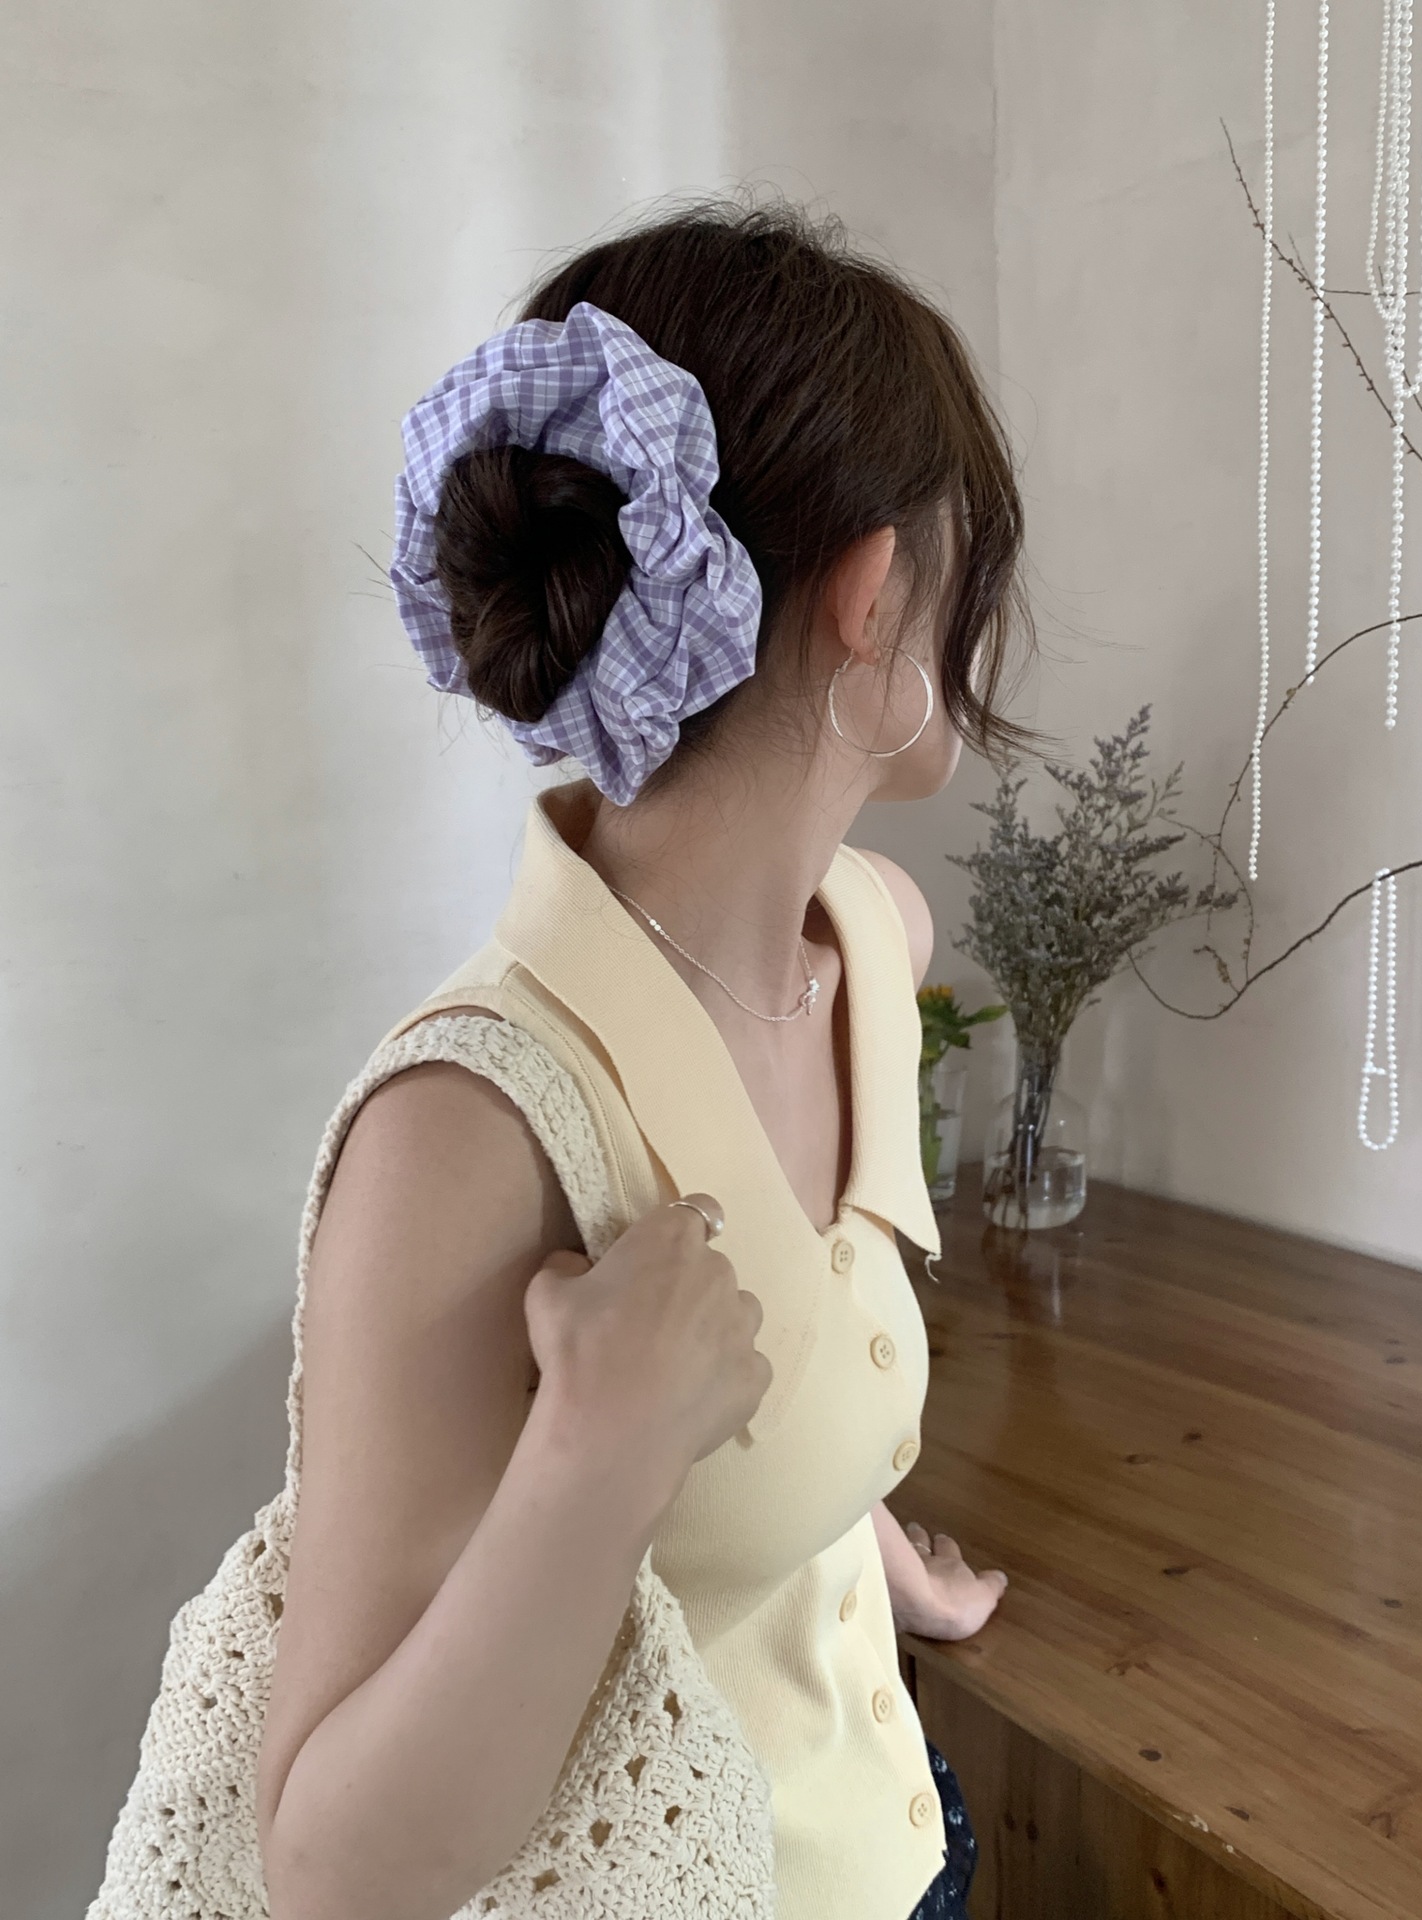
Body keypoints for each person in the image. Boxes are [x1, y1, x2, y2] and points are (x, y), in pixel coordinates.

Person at [254, 200, 1027, 1920]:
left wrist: (875, 1552)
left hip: (916, 1844)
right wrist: (593, 1461)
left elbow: (792, 1364)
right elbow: (325, 1873)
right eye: (969, 553)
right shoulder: (466, 1135)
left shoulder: (873, 942)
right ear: (872, 592)